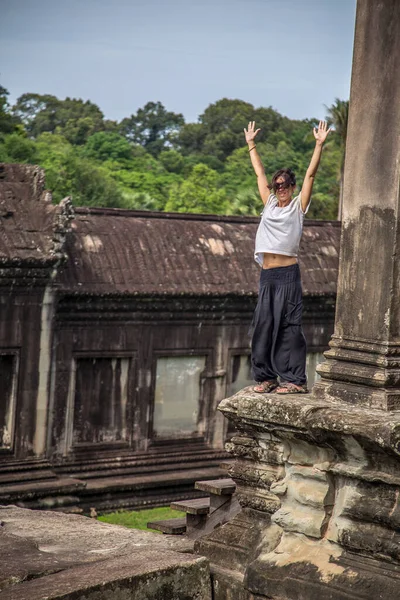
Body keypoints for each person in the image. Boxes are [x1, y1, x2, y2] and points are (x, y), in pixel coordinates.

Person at [244, 120, 331, 394]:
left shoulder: (297, 207)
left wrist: (318, 145)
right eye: (277, 185)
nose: (280, 188)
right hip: (267, 275)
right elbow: (259, 173)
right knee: (263, 326)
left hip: (287, 275)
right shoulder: (269, 202)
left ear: (292, 187)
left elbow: (311, 175)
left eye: (284, 185)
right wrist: (251, 144)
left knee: (289, 327)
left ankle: (294, 380)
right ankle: (266, 377)